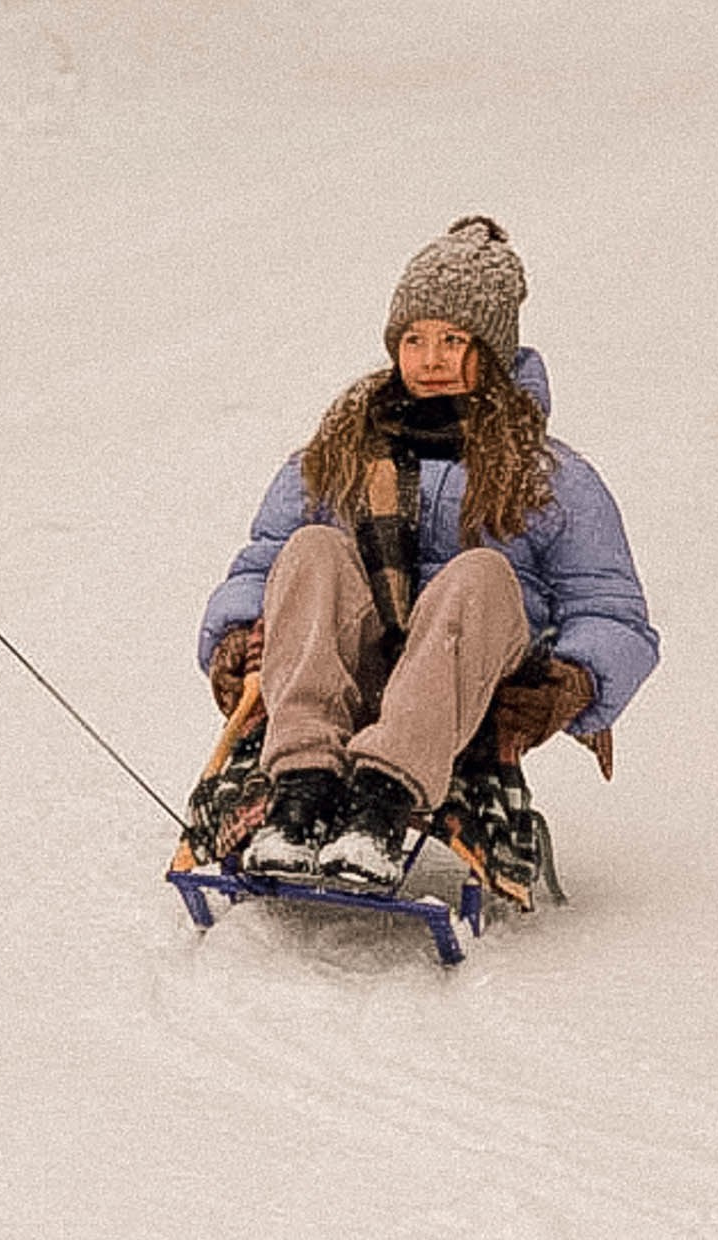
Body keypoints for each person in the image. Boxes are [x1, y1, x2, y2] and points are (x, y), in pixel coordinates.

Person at [192, 215, 657, 893]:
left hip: (468, 684)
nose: (430, 360)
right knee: (313, 546)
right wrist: (234, 635)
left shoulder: (550, 478)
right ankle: (301, 789)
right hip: (350, 665)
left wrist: (575, 682)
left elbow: (614, 613)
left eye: (452, 341)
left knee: (481, 572)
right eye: (413, 340)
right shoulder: (335, 455)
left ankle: (383, 801)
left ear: (491, 352)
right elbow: (264, 564)